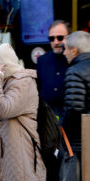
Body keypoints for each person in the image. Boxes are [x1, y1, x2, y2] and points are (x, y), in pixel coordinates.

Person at [0, 43, 46, 181]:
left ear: (2, 65)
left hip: (19, 158)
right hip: (3, 159)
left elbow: (2, 110)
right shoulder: (3, 83)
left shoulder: (23, 82)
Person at [62, 31, 90, 179]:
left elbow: (73, 108)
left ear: (74, 50)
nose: (64, 52)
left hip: (80, 142)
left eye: (65, 48)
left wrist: (63, 129)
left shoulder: (74, 71)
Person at [36, 20, 70, 118]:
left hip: (69, 119)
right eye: (52, 38)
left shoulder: (74, 60)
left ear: (69, 38)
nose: (56, 42)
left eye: (60, 38)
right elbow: (37, 89)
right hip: (47, 118)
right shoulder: (42, 61)